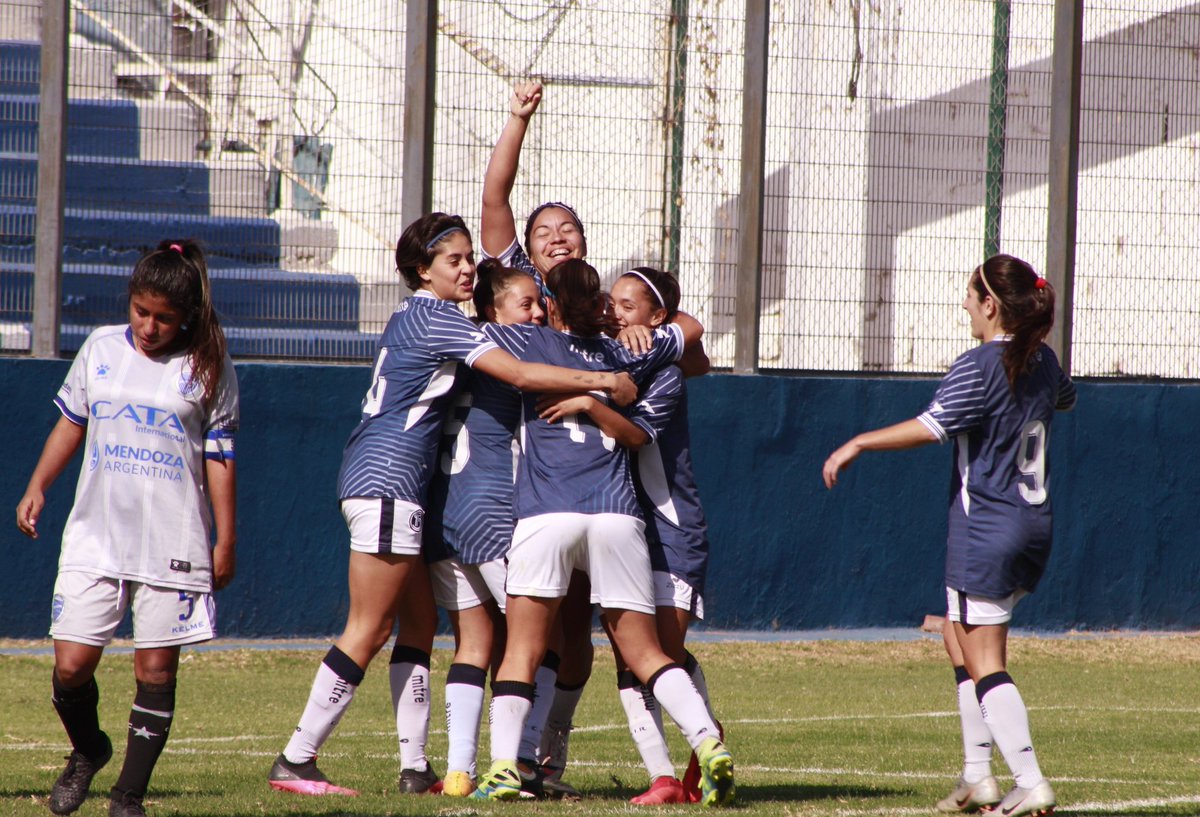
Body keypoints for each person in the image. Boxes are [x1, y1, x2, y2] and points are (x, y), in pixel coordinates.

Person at [267, 213, 638, 797]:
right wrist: (605, 382)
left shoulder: (417, 314)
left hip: (405, 487)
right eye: (453, 260)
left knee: (419, 625)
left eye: (469, 258)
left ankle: (417, 769)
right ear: (422, 270)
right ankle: (297, 757)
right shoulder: (439, 317)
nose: (467, 269)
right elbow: (519, 372)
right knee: (371, 626)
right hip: (390, 479)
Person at [470, 259, 736, 808]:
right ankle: (707, 742)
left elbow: (484, 340)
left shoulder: (523, 340)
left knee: (522, 649)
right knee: (645, 653)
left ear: (551, 305)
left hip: (548, 513)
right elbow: (690, 336)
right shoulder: (626, 353)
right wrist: (643, 343)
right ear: (598, 306)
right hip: (617, 516)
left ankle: (502, 768)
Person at [823, 254, 1076, 817]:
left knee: (986, 659)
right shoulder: (1043, 360)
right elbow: (1066, 397)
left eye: (970, 294)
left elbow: (930, 427)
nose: (964, 304)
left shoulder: (978, 364)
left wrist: (858, 442)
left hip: (985, 527)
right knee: (958, 640)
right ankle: (978, 777)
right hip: (1033, 524)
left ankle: (1030, 781)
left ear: (991, 305)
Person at [16, 239, 239, 817]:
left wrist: (225, 537)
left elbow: (220, 457)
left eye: (164, 318)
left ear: (186, 315)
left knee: (154, 670)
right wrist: (38, 484)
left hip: (173, 539)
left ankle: (127, 797)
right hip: (97, 534)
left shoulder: (208, 364)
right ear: (131, 301)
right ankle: (89, 750)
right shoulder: (100, 348)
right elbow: (72, 422)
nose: (149, 326)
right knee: (70, 666)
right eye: (142, 311)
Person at [421, 259, 546, 797]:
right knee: (530, 638)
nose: (538, 314)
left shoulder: (462, 342)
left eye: (541, 305)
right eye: (527, 304)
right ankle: (513, 764)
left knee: (472, 642)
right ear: (494, 310)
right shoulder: (512, 345)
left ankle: (458, 771)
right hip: (491, 511)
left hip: (443, 511)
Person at [601, 267, 722, 805]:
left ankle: (705, 749)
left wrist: (589, 401)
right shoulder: (600, 354)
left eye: (628, 305)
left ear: (657, 318)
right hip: (619, 528)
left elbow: (695, 352)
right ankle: (665, 776)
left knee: (656, 657)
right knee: (632, 657)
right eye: (612, 302)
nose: (616, 313)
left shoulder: (664, 371)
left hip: (671, 533)